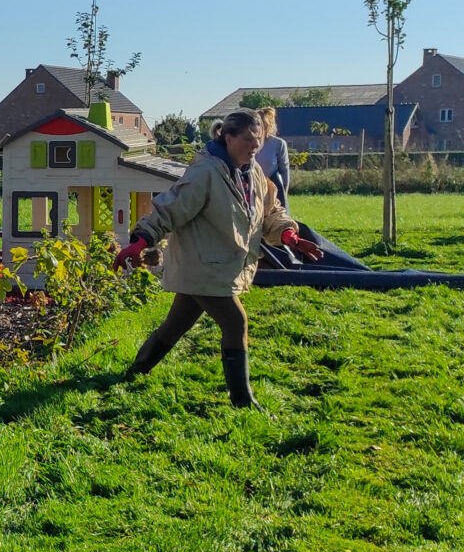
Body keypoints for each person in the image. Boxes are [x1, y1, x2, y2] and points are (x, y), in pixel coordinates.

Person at [116, 108, 323, 409]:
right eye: (250, 139)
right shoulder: (206, 172)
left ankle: (136, 371)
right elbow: (170, 209)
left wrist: (289, 235)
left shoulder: (253, 173)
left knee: (176, 324)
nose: (256, 147)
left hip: (220, 266)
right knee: (236, 323)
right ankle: (242, 401)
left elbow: (271, 211)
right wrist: (140, 240)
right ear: (228, 137)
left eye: (261, 140)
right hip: (202, 266)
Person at [255, 106, 291, 208]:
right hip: (252, 185)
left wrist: (284, 193)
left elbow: (284, 170)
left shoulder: (278, 144)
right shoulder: (248, 142)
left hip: (273, 186)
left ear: (267, 125)